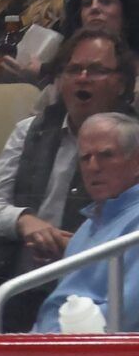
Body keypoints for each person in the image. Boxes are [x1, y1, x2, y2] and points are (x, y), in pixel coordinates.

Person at [0, 27, 134, 327]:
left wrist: (78, 249)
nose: (83, 78)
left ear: (122, 83)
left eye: (97, 70)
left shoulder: (133, 143)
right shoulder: (28, 132)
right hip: (16, 284)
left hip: (92, 294)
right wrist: (24, 221)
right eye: (73, 69)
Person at [36, 111, 139, 329]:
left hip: (97, 353)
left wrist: (48, 341)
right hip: (54, 345)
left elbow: (123, 315)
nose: (93, 167)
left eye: (106, 155)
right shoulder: (87, 226)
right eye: (85, 158)